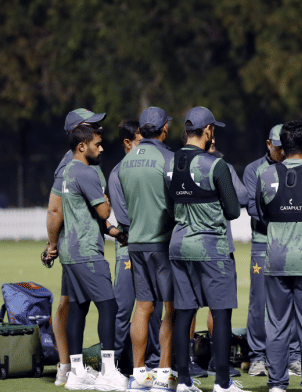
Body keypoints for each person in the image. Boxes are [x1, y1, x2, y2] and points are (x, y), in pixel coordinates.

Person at [166, 107, 242, 392]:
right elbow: (233, 210)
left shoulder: (169, 163)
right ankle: (223, 382)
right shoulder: (215, 165)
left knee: (184, 311)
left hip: (179, 244)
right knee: (220, 312)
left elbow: (170, 203)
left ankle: (183, 381)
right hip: (211, 247)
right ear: (208, 130)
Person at [257, 121, 302, 392]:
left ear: (282, 147)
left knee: (276, 323)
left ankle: (277, 384)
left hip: (276, 259)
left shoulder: (264, 175)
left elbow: (263, 213)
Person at [60, 123, 129, 391]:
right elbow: (102, 211)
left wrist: (113, 232)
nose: (101, 148)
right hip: (88, 252)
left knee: (78, 308)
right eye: (96, 144)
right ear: (81, 146)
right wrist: (106, 201)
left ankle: (76, 373)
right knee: (109, 307)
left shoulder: (67, 171)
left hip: (70, 251)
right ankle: (109, 372)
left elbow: (86, 214)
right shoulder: (87, 173)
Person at [44, 108, 109, 386]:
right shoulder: (69, 166)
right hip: (78, 247)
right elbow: (55, 210)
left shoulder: (88, 162)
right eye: (93, 124)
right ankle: (66, 365)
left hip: (81, 244)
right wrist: (52, 245)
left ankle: (70, 367)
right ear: (78, 133)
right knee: (68, 303)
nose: (99, 128)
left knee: (72, 303)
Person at [120, 107, 177, 392]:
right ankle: (164, 373)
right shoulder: (168, 158)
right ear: (164, 128)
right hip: (162, 243)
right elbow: (176, 202)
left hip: (135, 243)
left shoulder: (126, 161)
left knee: (142, 307)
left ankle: (139, 374)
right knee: (171, 307)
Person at [243, 125, 302, 377]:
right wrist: (288, 218)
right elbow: (254, 209)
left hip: (294, 246)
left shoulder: (298, 166)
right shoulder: (253, 170)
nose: (282, 151)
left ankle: (294, 355)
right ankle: (257, 356)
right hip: (262, 243)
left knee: (295, 302)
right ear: (269, 144)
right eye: (278, 147)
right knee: (259, 303)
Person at [107, 120, 163, 371]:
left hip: (151, 247)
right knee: (124, 308)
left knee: (155, 309)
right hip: (128, 250)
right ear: (128, 143)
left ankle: (152, 361)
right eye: (141, 141)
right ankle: (116, 365)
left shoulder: (153, 166)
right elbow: (122, 215)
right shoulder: (118, 172)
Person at [205, 138, 249, 378]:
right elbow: (241, 200)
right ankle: (216, 360)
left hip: (184, 245)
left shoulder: (177, 163)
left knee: (185, 307)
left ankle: (187, 362)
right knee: (219, 306)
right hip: (219, 246)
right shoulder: (223, 167)